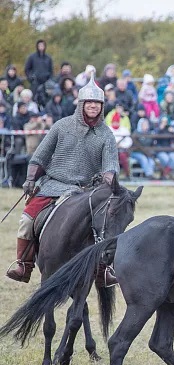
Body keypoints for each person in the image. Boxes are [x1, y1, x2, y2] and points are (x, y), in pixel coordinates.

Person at [6, 75, 119, 284]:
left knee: (106, 224)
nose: (93, 106)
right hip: (54, 185)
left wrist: (109, 180)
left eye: (97, 103)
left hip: (87, 191)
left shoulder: (106, 135)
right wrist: (31, 179)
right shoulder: (62, 126)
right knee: (27, 220)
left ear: (102, 106)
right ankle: (24, 264)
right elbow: (40, 156)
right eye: (90, 102)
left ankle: (102, 269)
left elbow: (110, 166)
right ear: (82, 104)